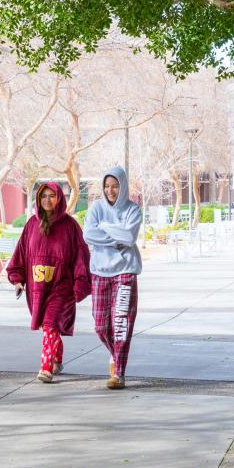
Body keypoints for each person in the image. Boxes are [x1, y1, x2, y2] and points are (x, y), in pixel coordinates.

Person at [7, 182, 91, 383]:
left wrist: (80, 284)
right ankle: (57, 359)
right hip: (38, 287)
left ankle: (46, 368)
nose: (47, 200)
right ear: (38, 199)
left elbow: (81, 256)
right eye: (43, 196)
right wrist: (18, 279)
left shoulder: (70, 226)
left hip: (62, 287)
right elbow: (21, 253)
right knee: (48, 327)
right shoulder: (31, 225)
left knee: (51, 323)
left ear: (59, 198)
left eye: (51, 196)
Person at [82, 166, 142, 390]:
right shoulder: (96, 208)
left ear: (123, 186)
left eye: (115, 186)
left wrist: (104, 229)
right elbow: (88, 234)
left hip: (125, 271)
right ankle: (115, 354)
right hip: (99, 271)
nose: (110, 190)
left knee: (120, 324)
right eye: (107, 186)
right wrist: (115, 235)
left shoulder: (132, 210)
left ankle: (119, 373)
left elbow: (129, 237)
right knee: (100, 325)